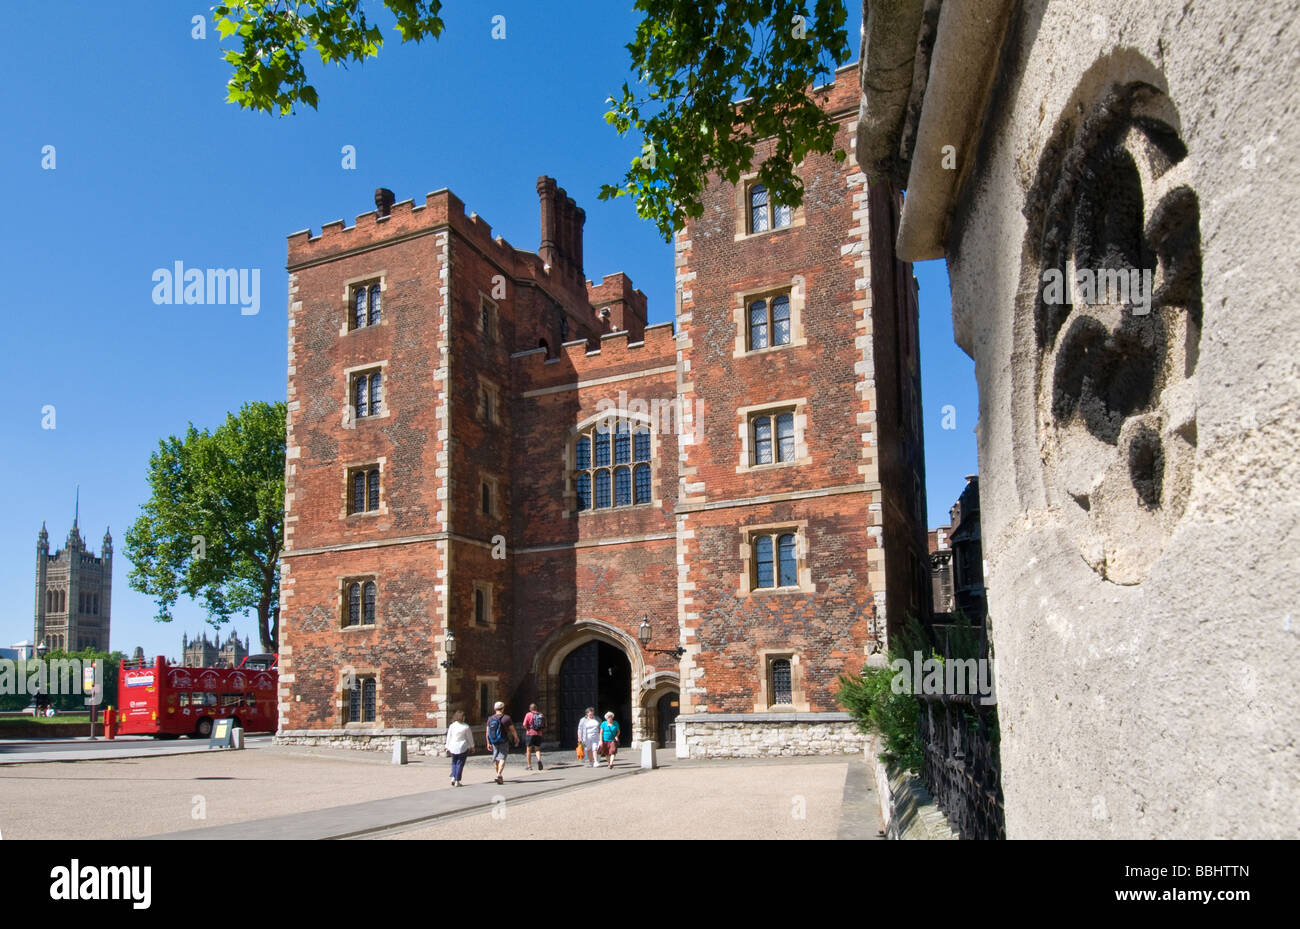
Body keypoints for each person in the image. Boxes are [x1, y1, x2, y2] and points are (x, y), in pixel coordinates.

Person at [485, 701, 518, 785]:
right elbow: (512, 729)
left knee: (496, 757)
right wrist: (516, 737)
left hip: (494, 741)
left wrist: (488, 742)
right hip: (503, 740)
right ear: (503, 708)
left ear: (494, 709)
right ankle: (499, 774)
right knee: (502, 757)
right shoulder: (506, 718)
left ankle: (498, 774)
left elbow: (487, 732)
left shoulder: (490, 719)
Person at [445, 709, 474, 787]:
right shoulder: (466, 727)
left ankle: (453, 777)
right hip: (462, 747)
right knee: (460, 763)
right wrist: (472, 746)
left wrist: (447, 747)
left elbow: (449, 737)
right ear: (462, 717)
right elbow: (469, 737)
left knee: (454, 762)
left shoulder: (452, 725)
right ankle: (457, 780)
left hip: (452, 746)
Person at [521, 703, 546, 771]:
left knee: (528, 750)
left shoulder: (528, 714)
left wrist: (528, 729)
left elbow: (524, 724)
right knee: (537, 749)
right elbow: (544, 724)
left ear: (530, 709)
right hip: (539, 734)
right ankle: (539, 760)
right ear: (536, 708)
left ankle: (529, 765)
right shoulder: (541, 715)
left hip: (530, 734)